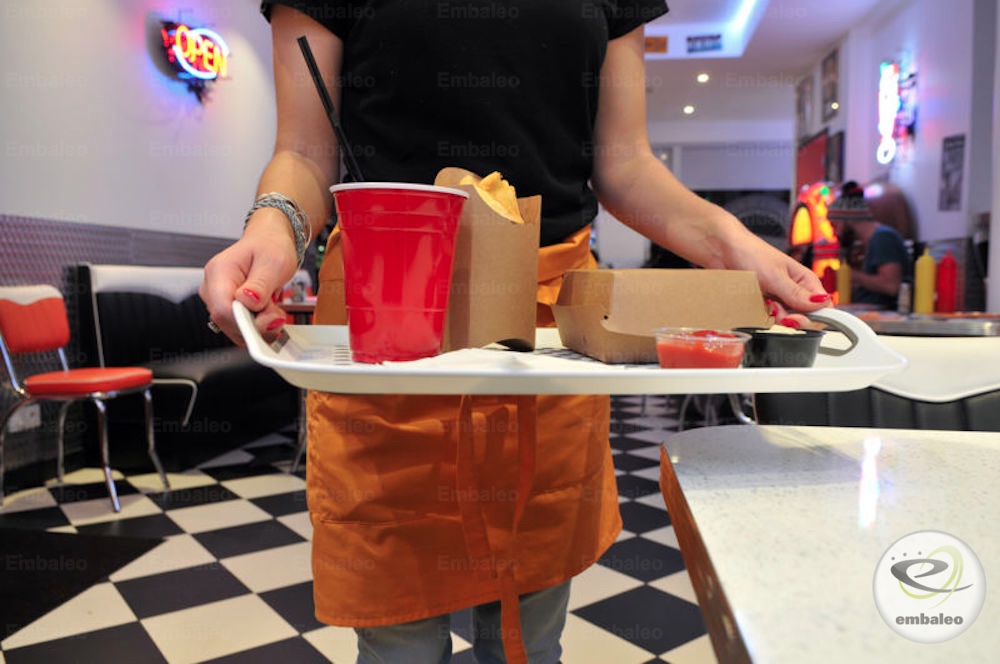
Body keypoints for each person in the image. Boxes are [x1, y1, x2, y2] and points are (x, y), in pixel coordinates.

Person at [199, 2, 831, 662]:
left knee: (528, 634)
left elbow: (626, 165)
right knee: (399, 640)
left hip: (544, 325)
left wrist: (733, 248)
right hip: (389, 310)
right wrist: (270, 229)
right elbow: (304, 152)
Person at [828, 181, 910, 308]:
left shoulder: (883, 238)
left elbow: (891, 286)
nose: (834, 232)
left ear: (847, 219)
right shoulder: (871, 241)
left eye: (835, 225)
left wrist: (853, 276)